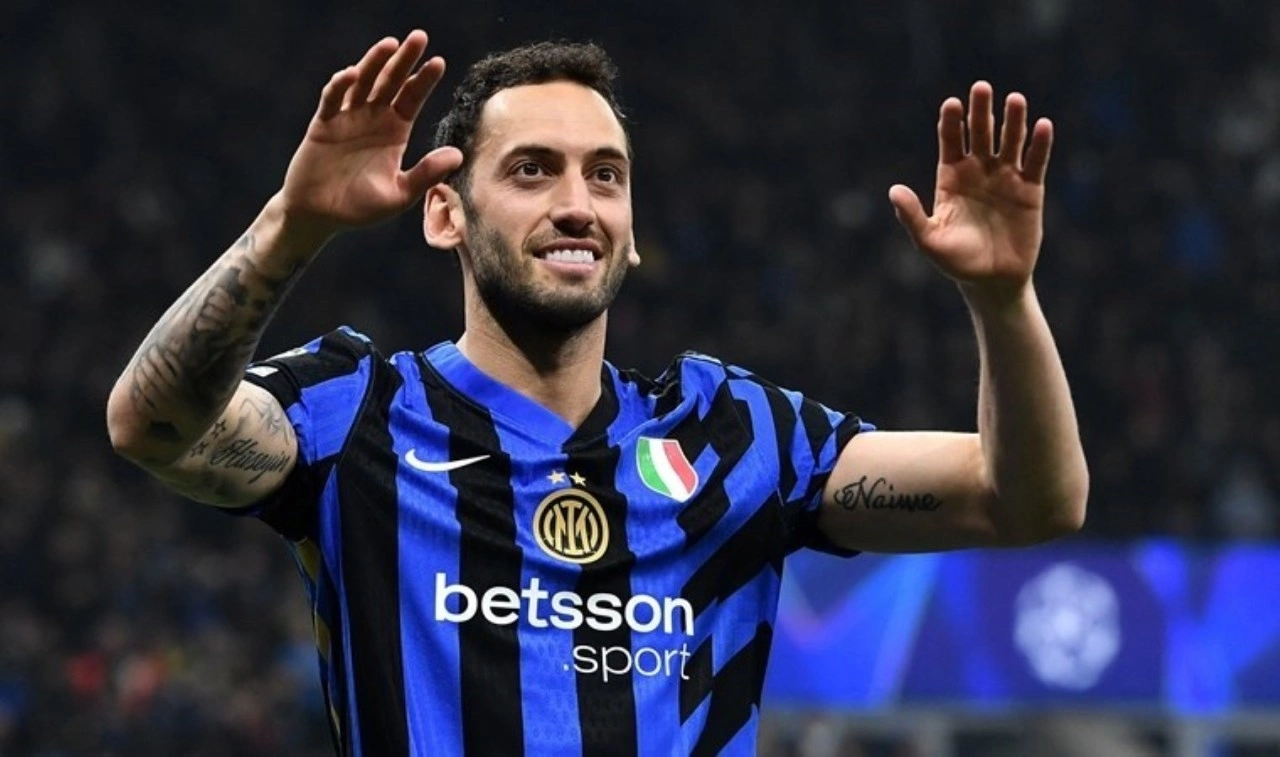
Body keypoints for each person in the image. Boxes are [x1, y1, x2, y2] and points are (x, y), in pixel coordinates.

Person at [105, 29, 1088, 757]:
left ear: (630, 224)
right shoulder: (355, 412)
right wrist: (293, 224)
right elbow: (153, 426)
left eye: (605, 176)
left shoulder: (734, 435)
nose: (577, 205)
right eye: (532, 172)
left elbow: (1027, 501)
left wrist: (1003, 301)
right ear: (445, 214)